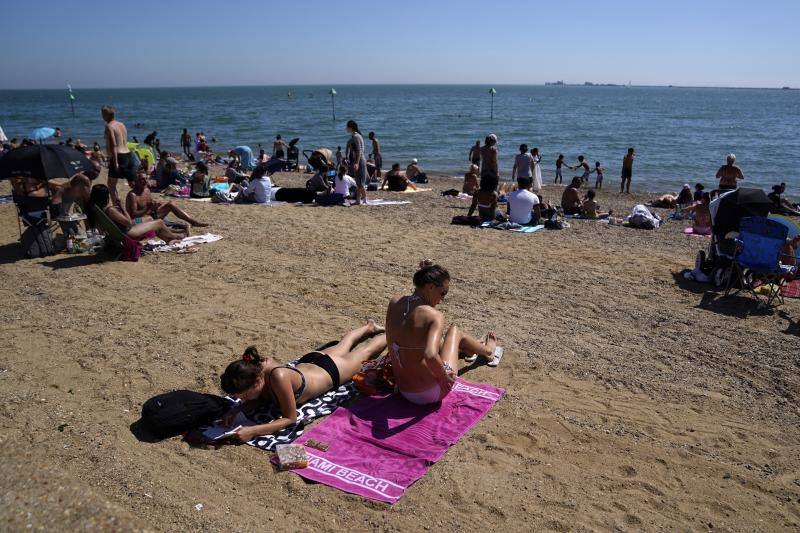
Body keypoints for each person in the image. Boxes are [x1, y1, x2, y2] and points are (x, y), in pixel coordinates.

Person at [219, 321, 387, 441]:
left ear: (256, 382)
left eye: (246, 396)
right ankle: (369, 327)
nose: (243, 400)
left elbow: (289, 418)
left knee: (366, 351)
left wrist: (253, 431)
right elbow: (260, 398)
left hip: (330, 371)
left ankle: (393, 333)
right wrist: (236, 410)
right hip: (312, 361)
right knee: (345, 343)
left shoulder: (278, 377)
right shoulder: (255, 370)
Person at [385, 261, 500, 406]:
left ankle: (469, 350)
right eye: (443, 293)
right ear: (430, 287)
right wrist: (443, 376)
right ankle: (488, 351)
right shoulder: (434, 315)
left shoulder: (395, 302)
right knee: (455, 331)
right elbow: (430, 355)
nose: (442, 300)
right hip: (431, 393)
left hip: (404, 391)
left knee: (439, 342)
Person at [87, 184, 186, 243]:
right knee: (159, 222)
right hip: (129, 232)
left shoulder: (96, 208)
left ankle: (168, 238)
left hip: (124, 229)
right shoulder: (110, 210)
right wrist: (121, 208)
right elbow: (128, 223)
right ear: (105, 197)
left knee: (150, 219)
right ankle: (174, 236)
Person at [126, 172, 207, 226]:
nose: (145, 181)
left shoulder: (146, 190)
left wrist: (156, 205)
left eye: (146, 179)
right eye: (142, 180)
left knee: (170, 204)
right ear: (136, 181)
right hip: (139, 222)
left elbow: (150, 206)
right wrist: (148, 208)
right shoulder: (132, 195)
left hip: (151, 216)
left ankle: (193, 222)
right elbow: (133, 215)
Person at [102, 105, 135, 206]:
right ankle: (141, 203)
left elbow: (114, 145)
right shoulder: (121, 124)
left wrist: (115, 162)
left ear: (105, 115)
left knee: (111, 186)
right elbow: (124, 141)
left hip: (119, 157)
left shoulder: (109, 126)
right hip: (129, 155)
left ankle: (118, 209)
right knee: (133, 185)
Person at [346, 120, 368, 205]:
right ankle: (358, 200)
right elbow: (349, 145)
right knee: (358, 182)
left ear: (350, 127)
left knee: (360, 182)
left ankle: (365, 198)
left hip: (360, 160)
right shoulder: (354, 136)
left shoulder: (356, 136)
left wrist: (357, 163)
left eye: (347, 127)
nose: (346, 128)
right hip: (357, 160)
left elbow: (359, 151)